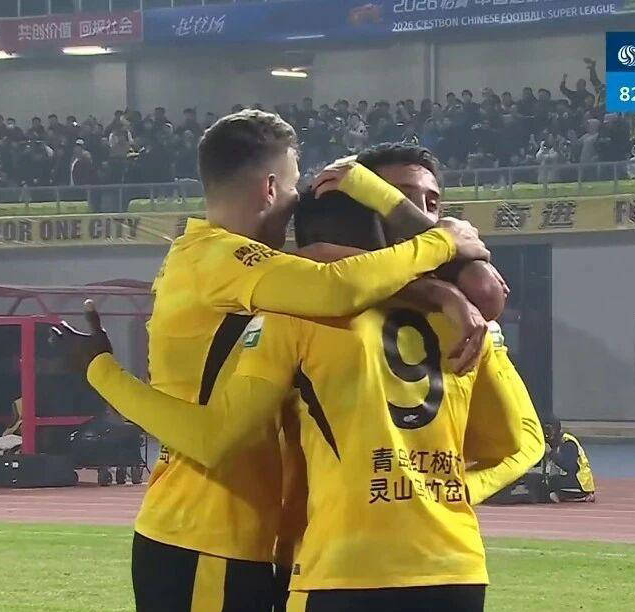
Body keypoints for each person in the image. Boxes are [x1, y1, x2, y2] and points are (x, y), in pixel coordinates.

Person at [61, 109, 491, 612]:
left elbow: (342, 276)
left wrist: (441, 293)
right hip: (203, 531)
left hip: (243, 539)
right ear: (269, 188)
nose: (297, 200)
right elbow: (335, 288)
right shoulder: (218, 257)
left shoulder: (232, 266)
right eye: (292, 185)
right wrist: (442, 240)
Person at [542, 418, 596, 503]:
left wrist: (551, 453)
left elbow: (568, 465)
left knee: (552, 483)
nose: (547, 434)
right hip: (567, 478)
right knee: (542, 482)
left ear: (556, 429)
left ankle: (584, 495)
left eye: (550, 430)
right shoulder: (550, 442)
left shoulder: (568, 442)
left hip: (581, 483)